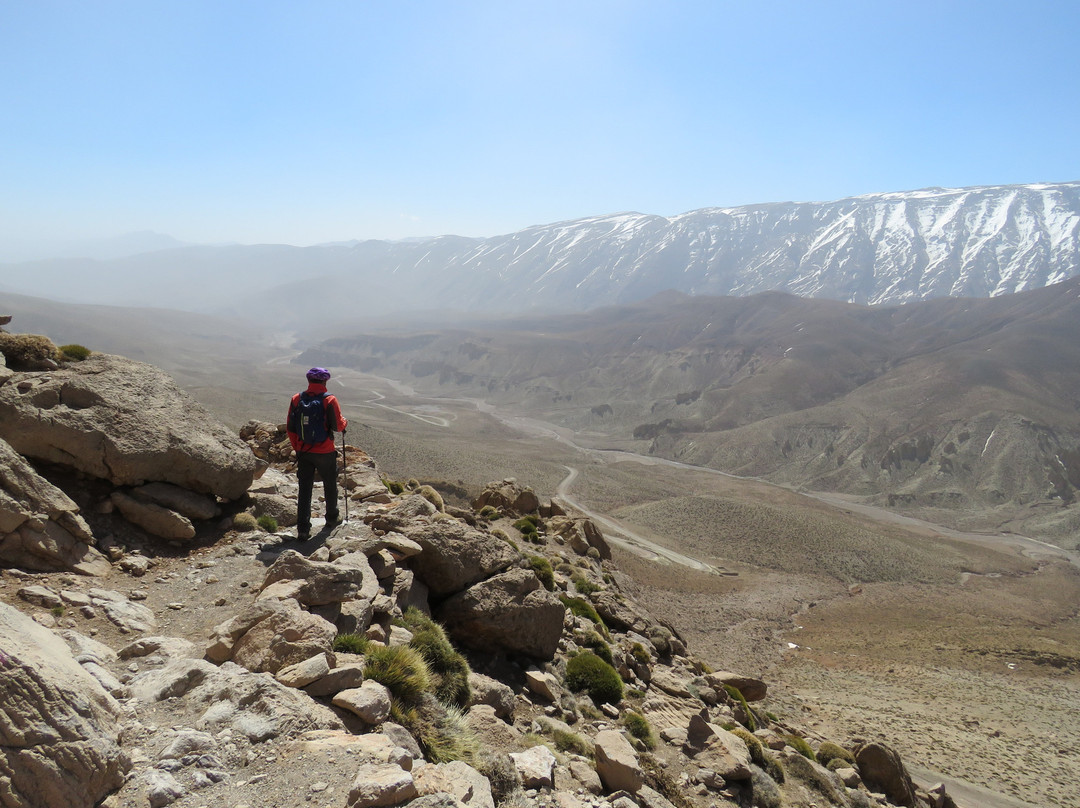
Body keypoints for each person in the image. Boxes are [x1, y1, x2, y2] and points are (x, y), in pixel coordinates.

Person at [287, 367, 348, 540]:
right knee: (330, 483)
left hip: (304, 450)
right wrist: (345, 423)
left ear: (309, 381)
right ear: (325, 381)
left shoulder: (296, 399)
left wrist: (298, 447)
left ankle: (303, 529)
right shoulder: (329, 399)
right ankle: (332, 518)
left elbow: (291, 428)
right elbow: (338, 426)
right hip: (325, 450)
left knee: (304, 488)